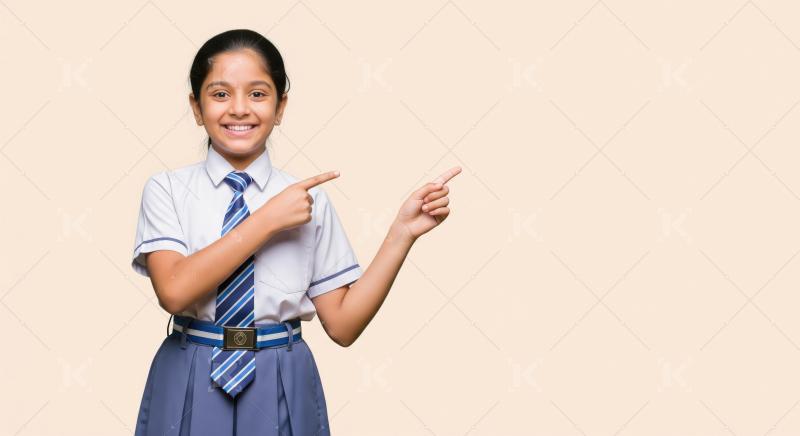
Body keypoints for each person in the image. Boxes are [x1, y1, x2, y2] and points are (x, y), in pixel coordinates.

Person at [131, 28, 460, 436]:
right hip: (190, 369)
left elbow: (342, 325)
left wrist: (402, 233)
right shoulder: (167, 190)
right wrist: (266, 220)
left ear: (280, 105)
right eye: (219, 94)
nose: (238, 109)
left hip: (281, 373)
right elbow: (174, 291)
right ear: (196, 108)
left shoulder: (310, 203)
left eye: (257, 93)